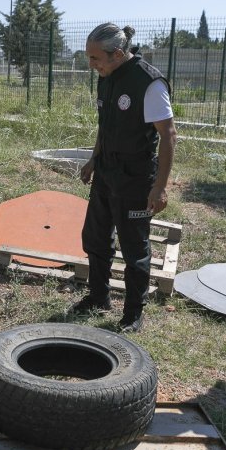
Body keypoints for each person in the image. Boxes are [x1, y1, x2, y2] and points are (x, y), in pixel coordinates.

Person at [71, 23, 177, 332]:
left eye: (95, 58)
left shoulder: (148, 82)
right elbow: (106, 125)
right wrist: (93, 159)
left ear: (117, 53)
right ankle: (98, 297)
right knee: (96, 237)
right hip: (106, 172)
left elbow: (168, 136)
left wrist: (160, 188)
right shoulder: (107, 78)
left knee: (135, 248)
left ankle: (133, 314)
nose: (91, 65)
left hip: (136, 177)